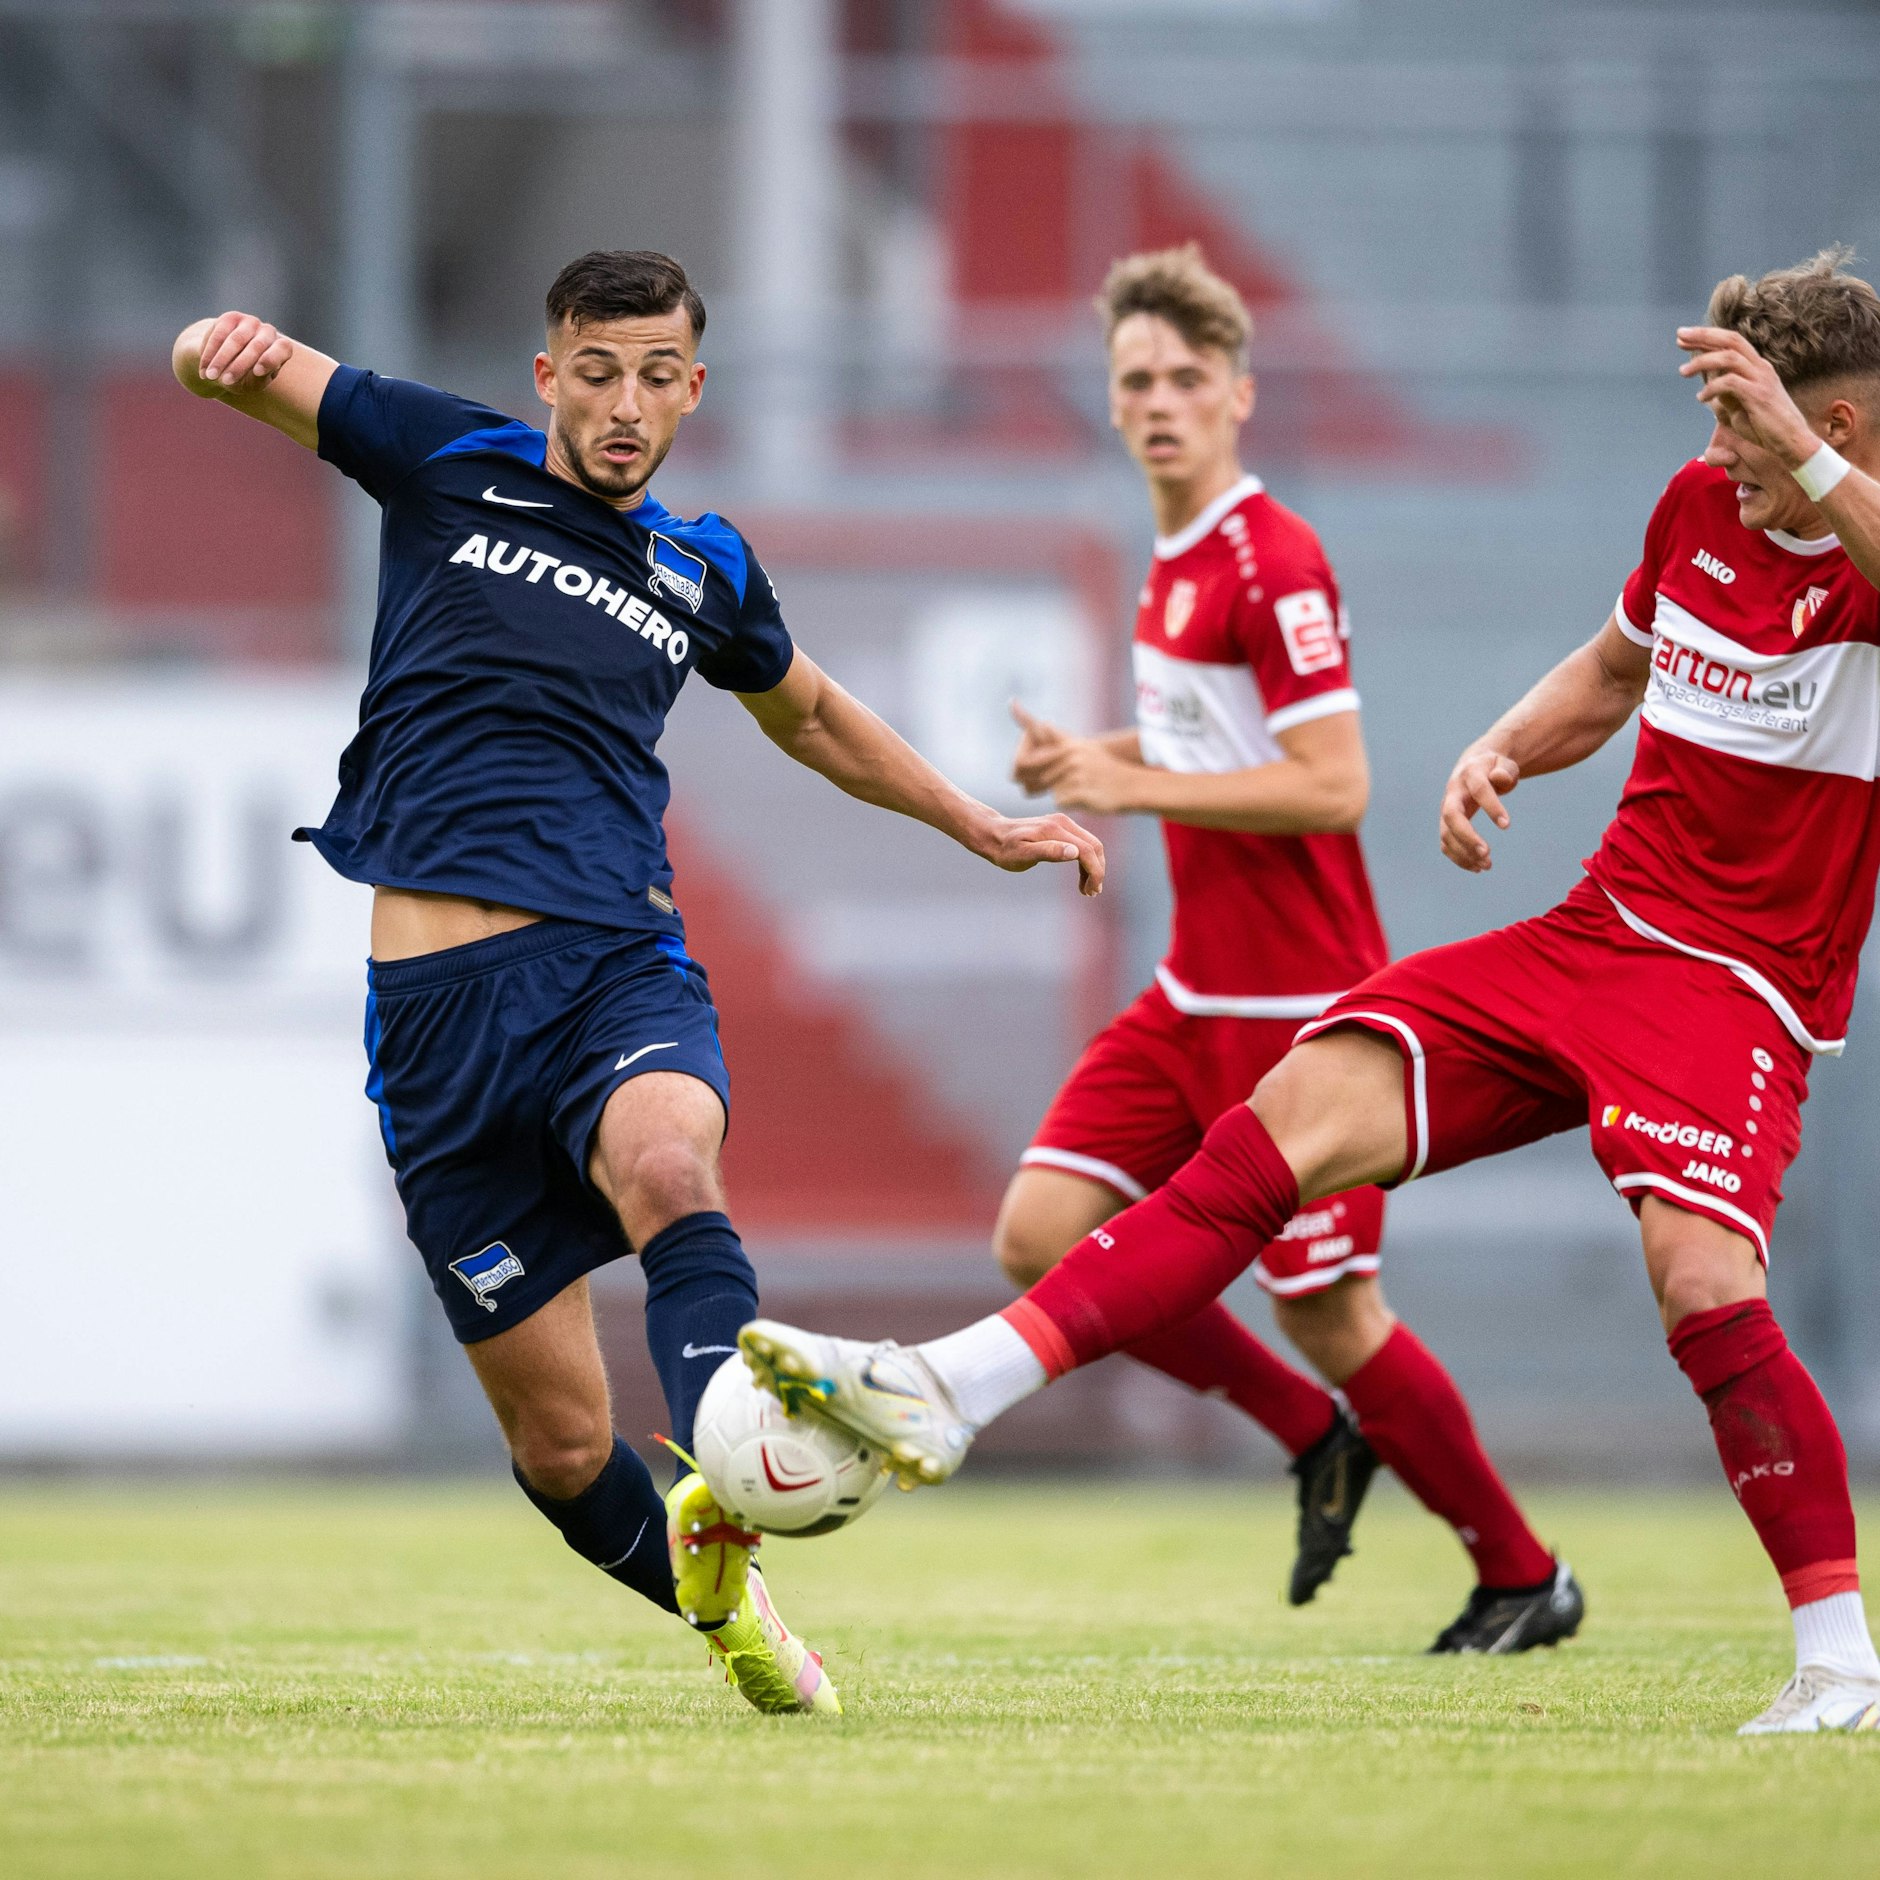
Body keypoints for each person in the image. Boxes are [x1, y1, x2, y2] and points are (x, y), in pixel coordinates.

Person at [741, 246, 1880, 1734]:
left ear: (1834, 430)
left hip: (1733, 990)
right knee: (1285, 1124)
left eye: (1743, 425)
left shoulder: (1853, 551)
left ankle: (1838, 1664)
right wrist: (1506, 748)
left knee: (1701, 1286)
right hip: (1591, 937)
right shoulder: (1692, 509)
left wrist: (1792, 447)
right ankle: (945, 1392)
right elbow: (1614, 663)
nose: (1714, 456)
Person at [171, 249, 1103, 1717]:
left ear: (692, 389)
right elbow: (240, 367)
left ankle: (733, 1474)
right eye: (595, 372)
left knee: (669, 1160)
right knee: (557, 1451)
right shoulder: (442, 455)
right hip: (435, 1029)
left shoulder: (703, 565)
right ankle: (726, 1606)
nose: (624, 405)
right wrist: (205, 345)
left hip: (612, 963)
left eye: (656, 376)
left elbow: (817, 716)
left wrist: (975, 823)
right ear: (549, 375)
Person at [992, 245, 1567, 1644]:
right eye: (1138, 380)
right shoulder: (1175, 556)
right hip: (1198, 990)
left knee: (1333, 1310)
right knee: (1039, 1235)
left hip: (1304, 1010)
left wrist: (1133, 788)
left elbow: (1333, 782)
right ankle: (1314, 1434)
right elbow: (1218, 738)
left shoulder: (1272, 555)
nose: (1162, 399)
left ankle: (1521, 1573)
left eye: (1189, 377)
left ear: (1240, 396)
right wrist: (1104, 755)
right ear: (1114, 404)